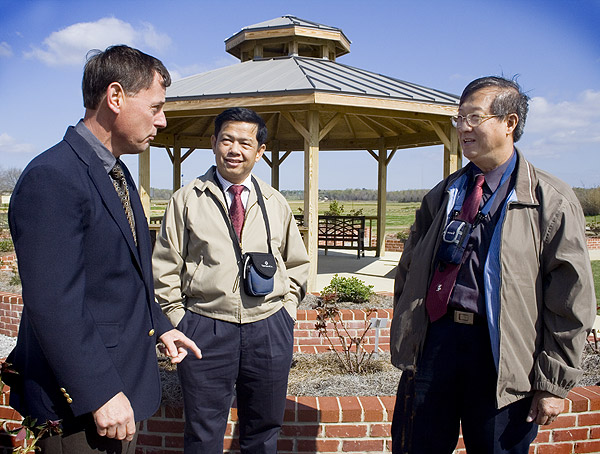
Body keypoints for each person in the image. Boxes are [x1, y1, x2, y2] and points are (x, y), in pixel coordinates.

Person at [6, 45, 202, 453]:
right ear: (116, 98)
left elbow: (124, 274)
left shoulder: (115, 171)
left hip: (120, 388)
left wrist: (161, 326)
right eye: (155, 107)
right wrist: (98, 392)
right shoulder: (53, 177)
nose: (162, 121)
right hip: (81, 405)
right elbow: (54, 304)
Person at [389, 76, 596, 454]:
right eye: (458, 119)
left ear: (510, 123)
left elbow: (571, 299)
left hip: (501, 353)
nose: (462, 128)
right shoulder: (444, 194)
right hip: (436, 345)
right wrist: (408, 331)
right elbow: (409, 272)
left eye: (473, 118)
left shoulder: (550, 199)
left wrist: (553, 383)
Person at [152, 107, 310, 453]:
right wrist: (181, 320)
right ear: (213, 143)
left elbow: (297, 263)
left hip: (269, 328)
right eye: (226, 140)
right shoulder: (186, 200)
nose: (234, 149)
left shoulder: (274, 202)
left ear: (260, 151)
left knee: (264, 430)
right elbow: (164, 269)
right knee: (203, 431)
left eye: (244, 142)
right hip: (205, 329)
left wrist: (287, 312)